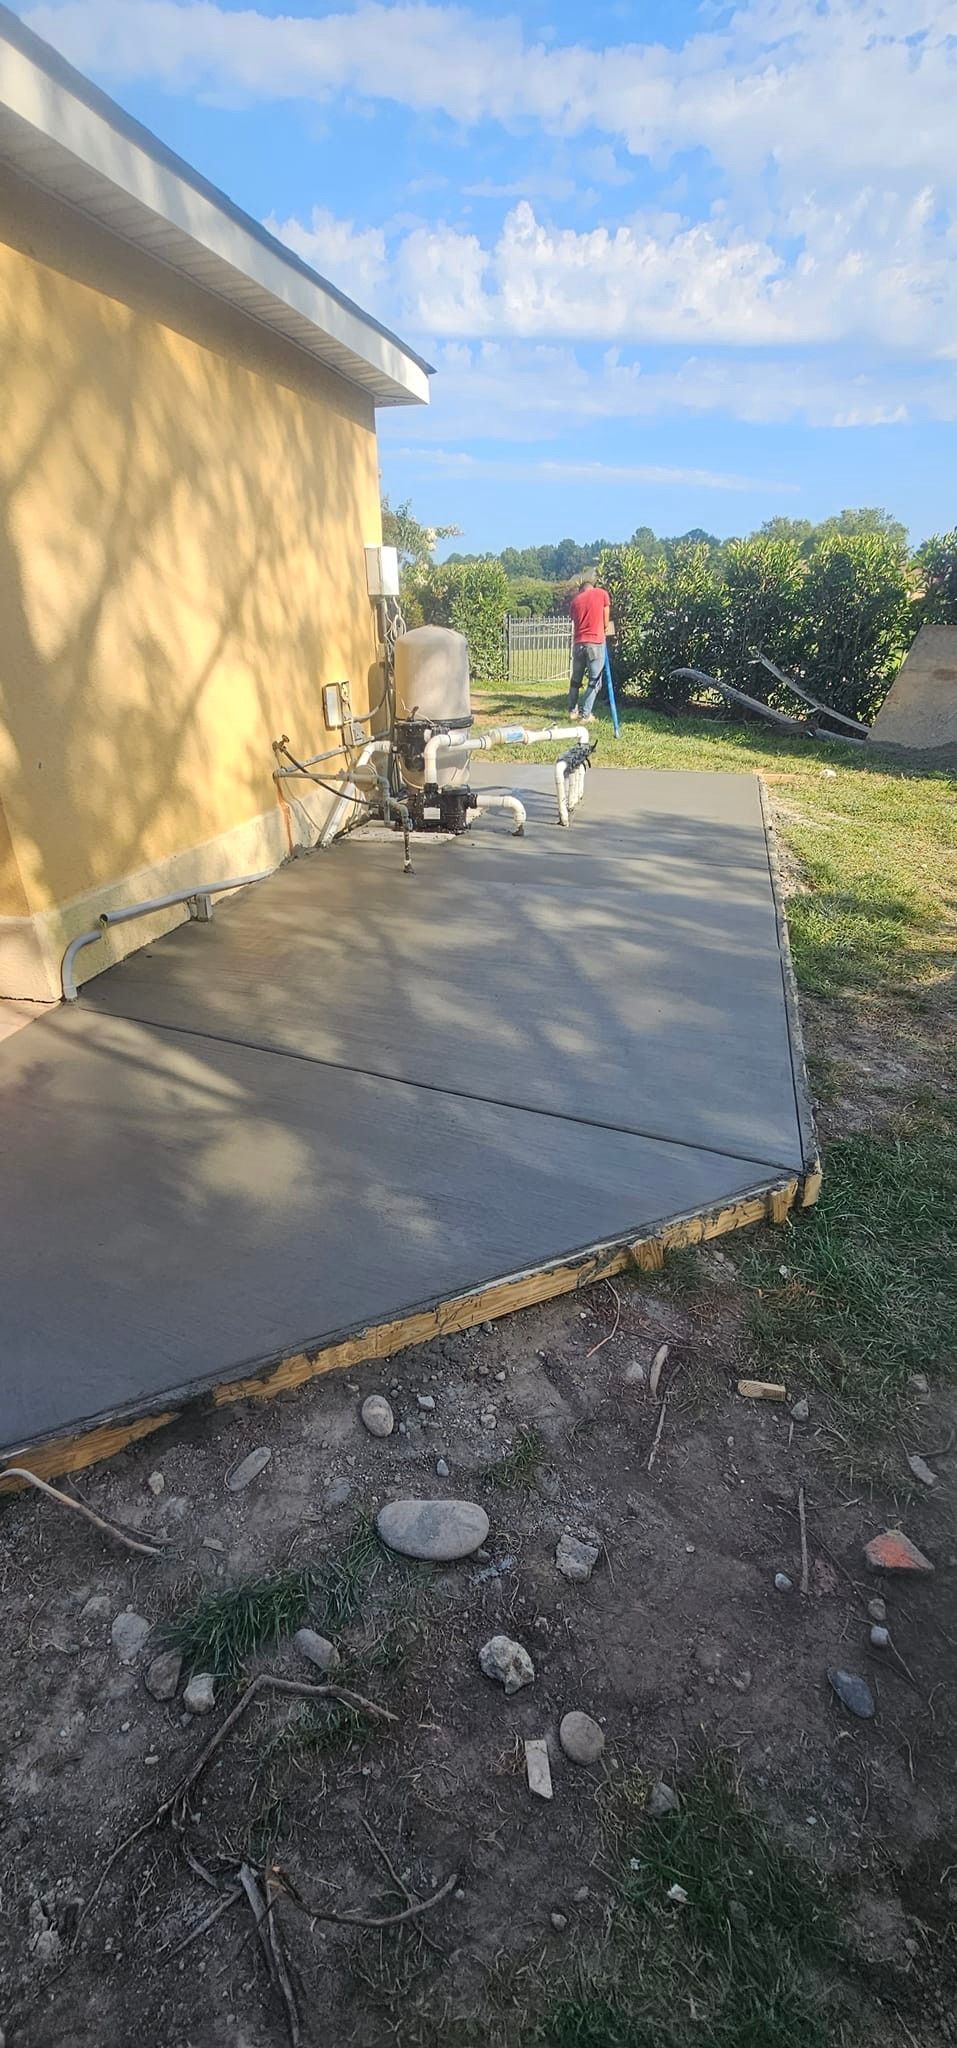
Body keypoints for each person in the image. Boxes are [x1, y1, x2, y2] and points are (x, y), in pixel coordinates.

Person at [568, 573, 611, 722]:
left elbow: (575, 621)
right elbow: (606, 619)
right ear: (592, 587)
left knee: (576, 679)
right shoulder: (601, 593)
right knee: (594, 680)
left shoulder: (575, 601)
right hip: (595, 643)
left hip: (578, 643)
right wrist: (604, 628)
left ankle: (572, 711)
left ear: (581, 590)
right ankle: (585, 714)